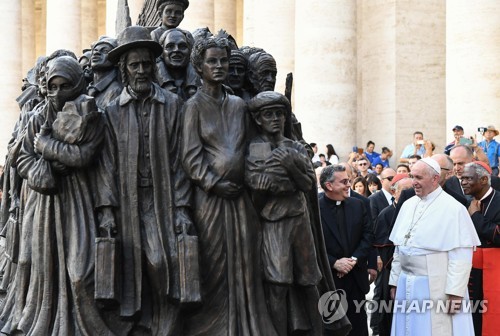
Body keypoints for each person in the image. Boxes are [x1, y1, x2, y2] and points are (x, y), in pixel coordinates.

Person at [97, 26, 193, 335]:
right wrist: (107, 210)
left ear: (154, 66)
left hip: (162, 198)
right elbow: (106, 164)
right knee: (130, 264)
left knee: (161, 262)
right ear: (124, 69)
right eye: (134, 65)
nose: (141, 70)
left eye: (146, 64)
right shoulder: (111, 110)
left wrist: (181, 206)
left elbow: (180, 160)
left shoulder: (172, 105)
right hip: (126, 200)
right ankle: (139, 324)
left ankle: (167, 324)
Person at [181, 32, 278, 335]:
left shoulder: (238, 105)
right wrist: (213, 183)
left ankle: (244, 326)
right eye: (212, 61)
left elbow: (251, 147)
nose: (219, 66)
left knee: (246, 264)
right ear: (199, 66)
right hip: (210, 201)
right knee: (214, 265)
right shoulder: (193, 106)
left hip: (240, 199)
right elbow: (190, 155)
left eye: (223, 60)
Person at [13, 56, 115, 335]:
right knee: (40, 266)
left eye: (64, 86)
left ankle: (87, 327)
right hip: (44, 201)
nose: (57, 94)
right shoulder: (37, 116)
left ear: (77, 84)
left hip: (78, 200)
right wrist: (45, 169)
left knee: (80, 271)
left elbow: (84, 155)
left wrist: (47, 146)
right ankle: (46, 324)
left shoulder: (93, 114)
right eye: (52, 87)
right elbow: (23, 158)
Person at [245, 91, 348, 335]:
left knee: (309, 280)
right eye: (268, 114)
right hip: (273, 222)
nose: (274, 119)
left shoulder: (295, 148)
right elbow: (258, 184)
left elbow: (306, 184)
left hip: (299, 221)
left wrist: (290, 165)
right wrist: (286, 179)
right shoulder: (256, 148)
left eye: (279, 114)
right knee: (278, 283)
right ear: (258, 119)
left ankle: (317, 331)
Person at [389, 158, 480, 335]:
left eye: (419, 177)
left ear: (435, 178)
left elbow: (461, 256)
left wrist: (455, 293)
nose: (414, 182)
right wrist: (394, 281)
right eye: (412, 176)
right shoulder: (408, 205)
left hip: (436, 286)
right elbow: (399, 249)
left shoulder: (453, 208)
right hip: (406, 282)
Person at [319, 165, 374, 336]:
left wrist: (352, 260)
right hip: (328, 282)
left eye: (348, 181)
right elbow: (310, 244)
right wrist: (334, 263)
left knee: (358, 328)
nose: (348, 185)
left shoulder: (358, 205)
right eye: (344, 182)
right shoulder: (313, 209)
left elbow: (367, 236)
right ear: (329, 185)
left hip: (355, 279)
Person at [461, 161, 500, 336]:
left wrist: (476, 216)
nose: (463, 182)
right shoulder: (465, 203)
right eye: (462, 179)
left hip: (495, 271)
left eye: (468, 178)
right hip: (471, 271)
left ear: (484, 179)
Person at [372, 174, 412, 336]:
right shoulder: (386, 214)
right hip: (390, 269)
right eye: (405, 191)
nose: (409, 194)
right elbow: (382, 244)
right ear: (395, 192)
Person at [156, 28, 200, 100]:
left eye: (182, 46)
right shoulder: (152, 86)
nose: (176, 50)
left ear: (190, 51)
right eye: (170, 46)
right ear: (162, 52)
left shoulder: (205, 85)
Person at [87, 36, 123, 110]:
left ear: (116, 61)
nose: (96, 53)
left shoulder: (116, 90)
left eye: (105, 51)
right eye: (95, 50)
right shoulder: (88, 88)